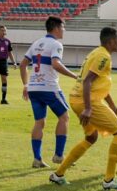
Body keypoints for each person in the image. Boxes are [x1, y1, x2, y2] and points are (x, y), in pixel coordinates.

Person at [49, 27, 117, 191]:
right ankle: (109, 180)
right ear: (110, 41)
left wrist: (112, 104)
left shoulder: (96, 53)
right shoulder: (103, 56)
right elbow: (87, 82)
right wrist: (88, 108)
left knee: (91, 137)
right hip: (87, 102)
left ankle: (58, 174)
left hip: (77, 99)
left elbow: (96, 83)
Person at [20, 16, 77, 168]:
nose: (64, 30)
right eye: (63, 27)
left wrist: (26, 84)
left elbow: (23, 64)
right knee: (64, 117)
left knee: (39, 122)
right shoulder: (56, 44)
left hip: (34, 88)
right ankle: (59, 155)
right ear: (56, 28)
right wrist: (75, 76)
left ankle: (37, 159)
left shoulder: (37, 43)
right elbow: (56, 64)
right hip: (49, 88)